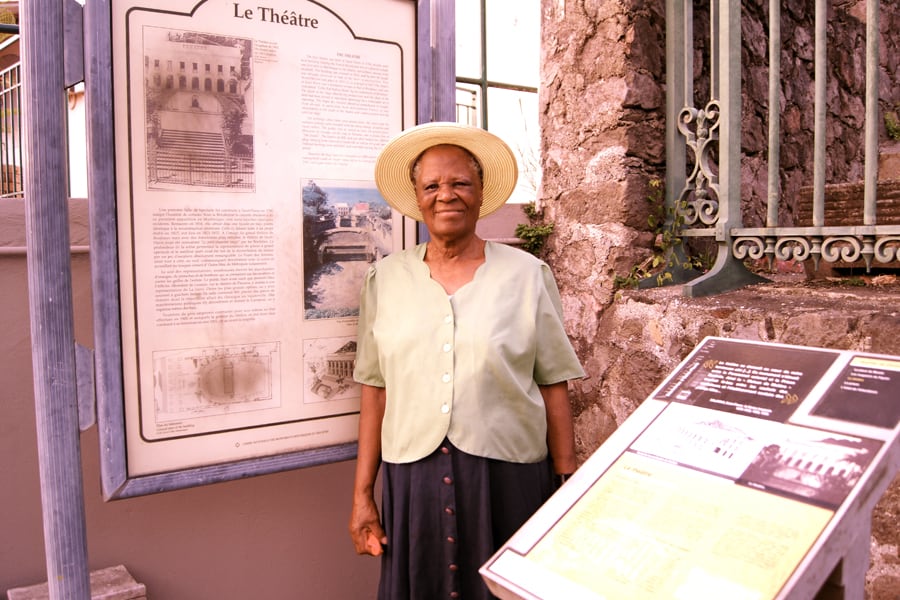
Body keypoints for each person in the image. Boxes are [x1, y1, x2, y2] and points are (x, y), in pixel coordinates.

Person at [348, 121, 585, 600]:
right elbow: (375, 391)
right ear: (417, 199)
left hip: (509, 476)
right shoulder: (385, 280)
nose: (446, 195)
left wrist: (567, 483)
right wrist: (362, 495)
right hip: (411, 479)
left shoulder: (527, 274)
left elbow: (553, 383)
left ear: (480, 195)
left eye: (460, 183)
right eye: (431, 185)